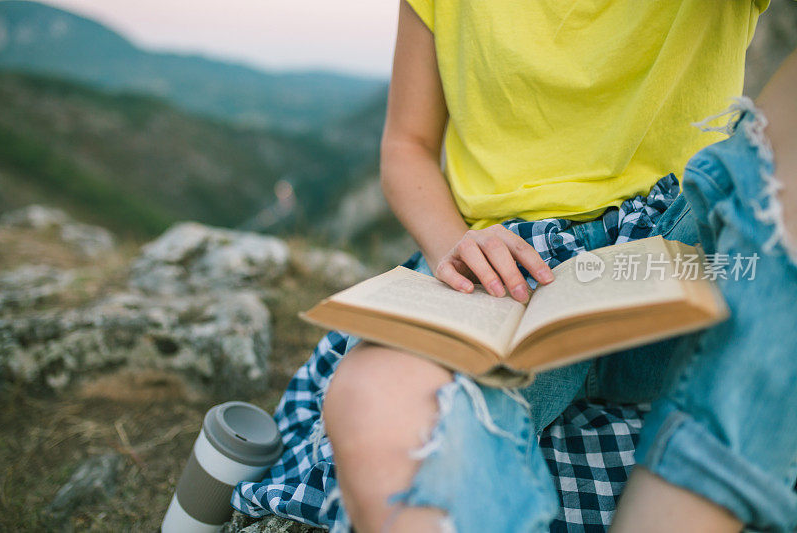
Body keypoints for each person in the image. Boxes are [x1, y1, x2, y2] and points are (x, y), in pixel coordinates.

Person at [234, 1, 797, 531]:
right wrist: (452, 243)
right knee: (378, 404)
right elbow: (406, 145)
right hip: (501, 269)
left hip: (680, 250)